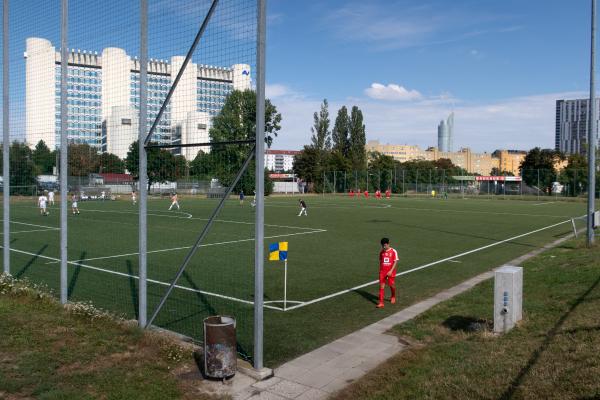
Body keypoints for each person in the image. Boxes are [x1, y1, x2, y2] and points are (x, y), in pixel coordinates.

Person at [377, 237, 398, 308]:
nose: (384, 247)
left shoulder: (393, 251)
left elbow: (395, 261)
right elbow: (381, 262)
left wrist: (391, 271)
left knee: (392, 285)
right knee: (381, 286)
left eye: (385, 245)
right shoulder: (381, 252)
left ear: (388, 244)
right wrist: (380, 271)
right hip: (383, 272)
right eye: (383, 245)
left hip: (390, 271)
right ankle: (381, 302)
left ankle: (393, 296)